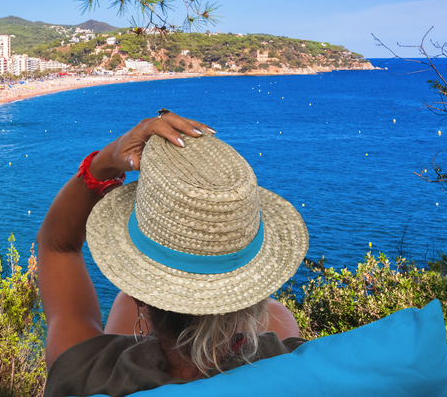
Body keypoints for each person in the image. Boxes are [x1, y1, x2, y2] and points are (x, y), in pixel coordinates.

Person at [39, 111, 309, 396]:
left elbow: (57, 247)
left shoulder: (86, 375)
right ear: (251, 292)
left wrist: (104, 163)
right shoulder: (296, 370)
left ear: (139, 294)